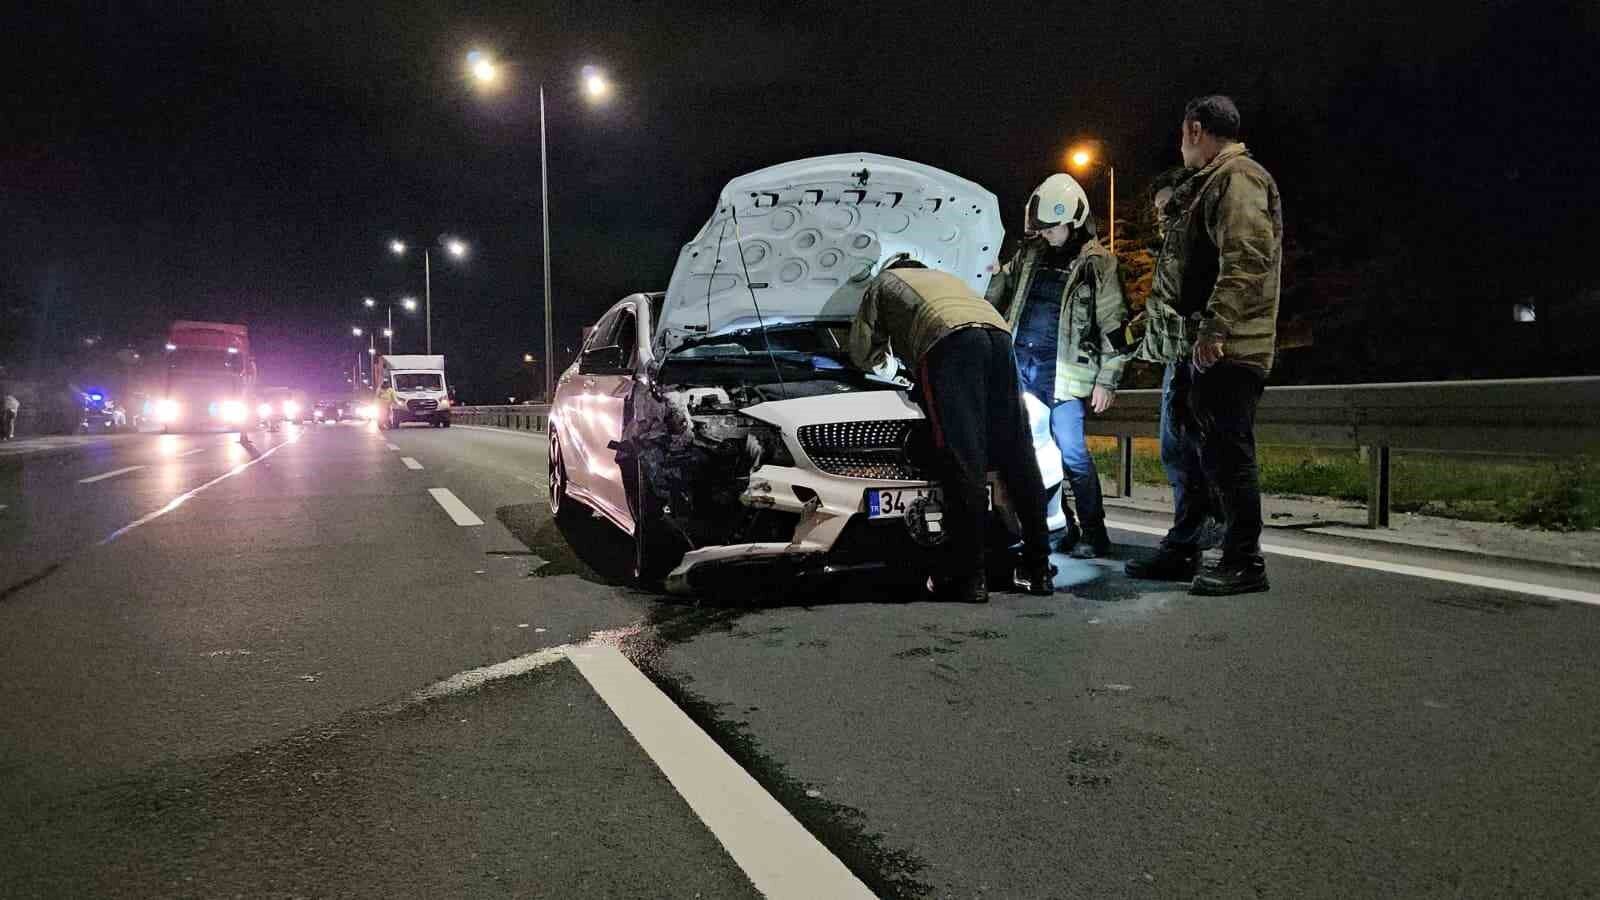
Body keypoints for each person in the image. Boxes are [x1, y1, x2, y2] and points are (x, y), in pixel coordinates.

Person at [1126, 95, 1283, 596]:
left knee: (1228, 454)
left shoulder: (1239, 178)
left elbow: (1245, 260)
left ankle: (1244, 560)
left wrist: (1216, 330)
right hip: (1205, 345)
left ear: (1195, 129)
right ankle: (1186, 547)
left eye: (1181, 135)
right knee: (1195, 453)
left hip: (1231, 347)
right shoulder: (1212, 182)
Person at [850, 255, 1055, 603]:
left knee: (964, 458)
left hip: (948, 341)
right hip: (998, 337)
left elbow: (863, 349)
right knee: (1018, 453)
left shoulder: (884, 283)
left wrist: (890, 371)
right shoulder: (946, 278)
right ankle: (1038, 570)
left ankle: (970, 578)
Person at [987, 174, 1131, 560]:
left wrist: (1108, 380)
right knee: (1024, 452)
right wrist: (992, 273)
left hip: (1064, 375)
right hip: (1022, 366)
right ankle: (1057, 525)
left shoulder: (1098, 264)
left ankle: (1094, 532)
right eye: (1043, 228)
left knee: (1072, 453)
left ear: (1074, 220)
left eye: (1053, 228)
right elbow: (998, 298)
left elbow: (1115, 329)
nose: (1047, 234)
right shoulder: (1029, 255)